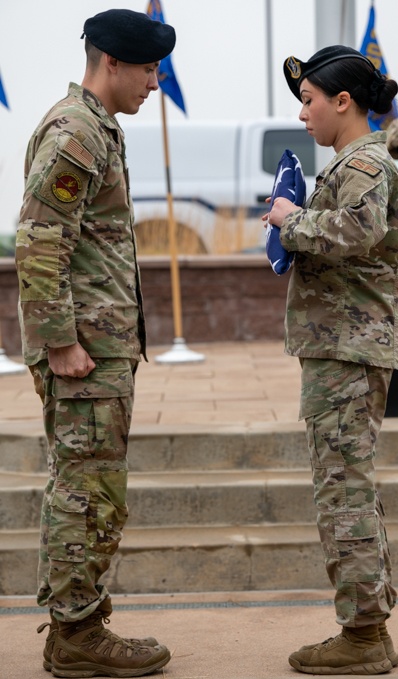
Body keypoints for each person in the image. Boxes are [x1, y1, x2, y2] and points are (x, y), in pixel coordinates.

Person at [15, 9, 176, 678]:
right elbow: (39, 239)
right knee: (89, 489)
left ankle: (78, 623)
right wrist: (58, 342)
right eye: (147, 70)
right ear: (111, 63)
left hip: (99, 346)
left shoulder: (95, 127)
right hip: (83, 350)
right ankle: (78, 634)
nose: (155, 83)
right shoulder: (77, 132)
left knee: (91, 484)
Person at [265, 45, 398, 675]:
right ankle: (367, 624)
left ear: (342, 102)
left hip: (349, 353)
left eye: (308, 102)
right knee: (348, 487)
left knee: (343, 491)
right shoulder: (350, 164)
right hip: (340, 349)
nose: (303, 116)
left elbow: (354, 233)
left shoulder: (368, 167)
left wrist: (291, 221)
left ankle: (363, 635)